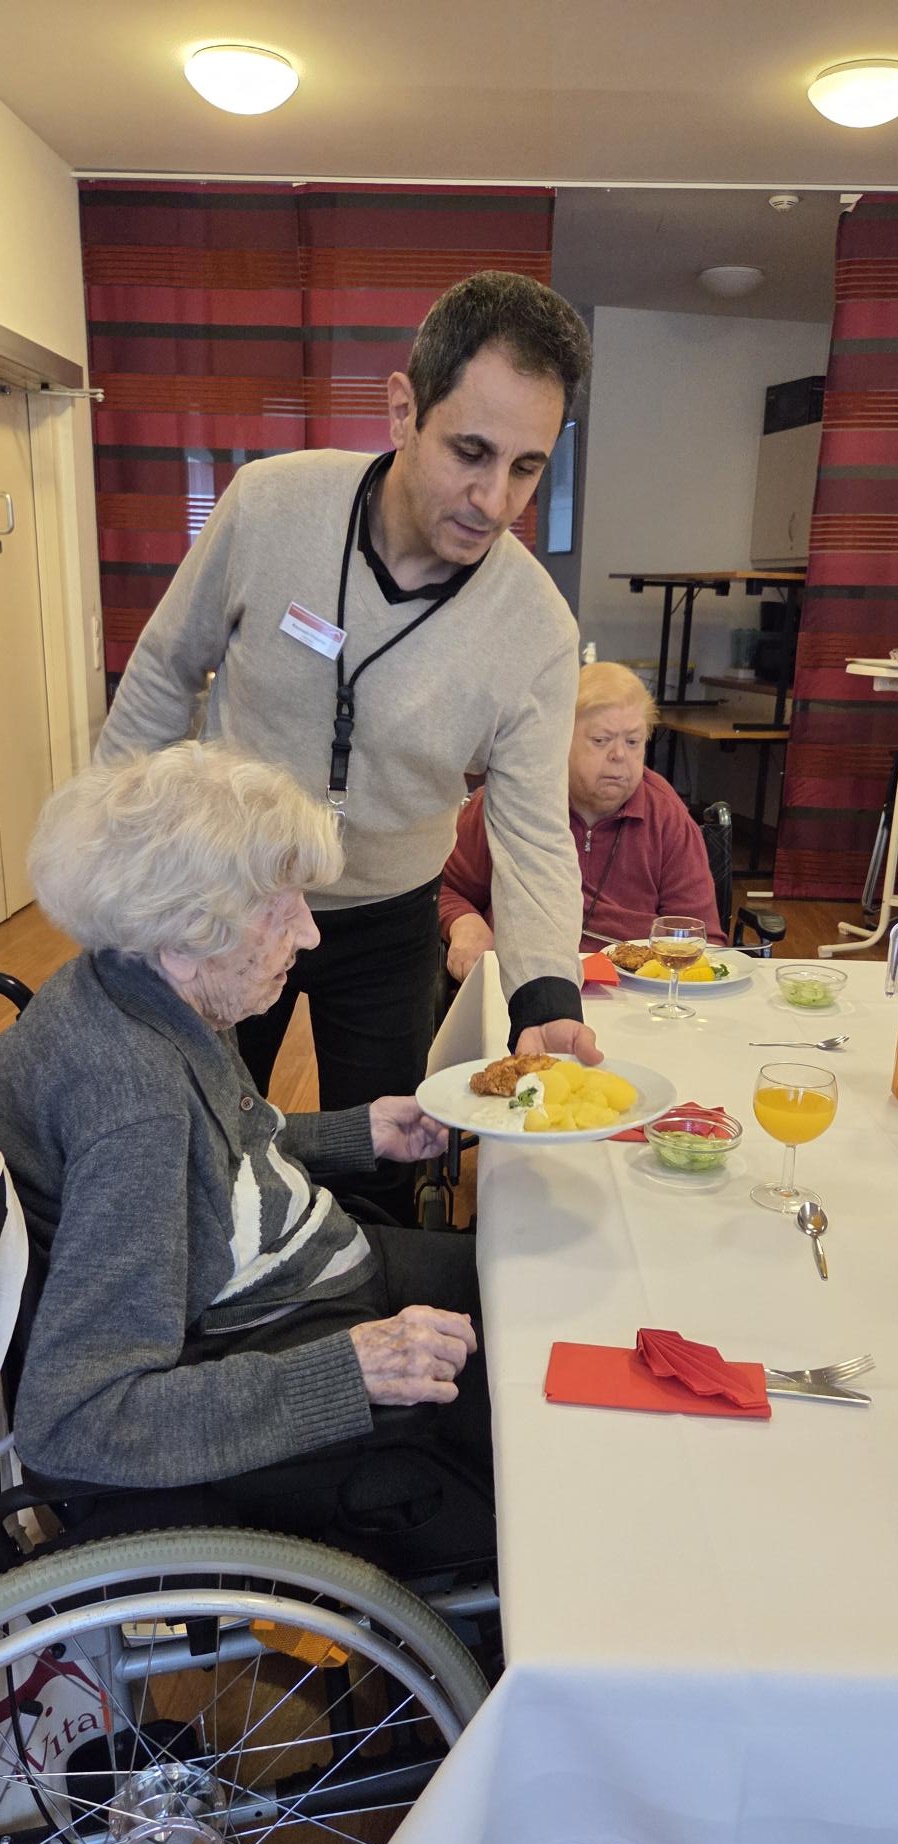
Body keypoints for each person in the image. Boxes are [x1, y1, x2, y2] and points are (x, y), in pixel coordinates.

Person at [95, 273, 600, 1217]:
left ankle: (361, 1304)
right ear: (404, 409)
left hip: (389, 918)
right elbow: (165, 671)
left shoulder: (535, 627)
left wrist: (546, 998)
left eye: (527, 468)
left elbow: (533, 832)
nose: (494, 500)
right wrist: (113, 872)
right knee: (193, 1152)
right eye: (470, 452)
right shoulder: (269, 506)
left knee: (382, 1165)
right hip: (227, 899)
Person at [0, 745, 492, 1572]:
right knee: (542, 1441)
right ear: (186, 932)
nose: (310, 930)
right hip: (281, 1347)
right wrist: (349, 1371)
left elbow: (220, 1155)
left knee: (533, 1288)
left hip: (310, 1272)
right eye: (280, 905)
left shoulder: (139, 985)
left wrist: (360, 1132)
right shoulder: (136, 1110)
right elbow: (75, 1418)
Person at [440, 661, 725, 980]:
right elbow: (443, 887)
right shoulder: (514, 799)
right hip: (522, 980)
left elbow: (699, 939)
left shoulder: (666, 815)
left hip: (636, 989)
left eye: (632, 742)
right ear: (561, 739)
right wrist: (463, 922)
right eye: (601, 740)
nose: (619, 755)